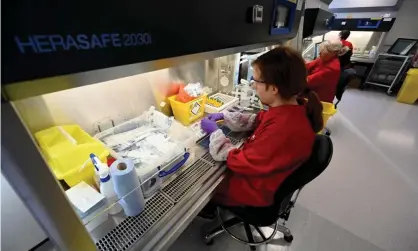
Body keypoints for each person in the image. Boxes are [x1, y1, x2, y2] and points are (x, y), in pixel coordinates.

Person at [199, 47, 323, 209]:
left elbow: (241, 162)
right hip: (267, 179)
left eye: (256, 81)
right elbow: (260, 119)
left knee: (203, 186)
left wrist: (215, 134)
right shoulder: (294, 108)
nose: (253, 86)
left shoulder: (283, 129)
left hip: (255, 192)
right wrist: (225, 117)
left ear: (274, 88)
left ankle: (209, 210)